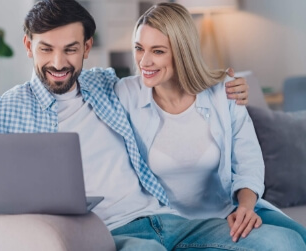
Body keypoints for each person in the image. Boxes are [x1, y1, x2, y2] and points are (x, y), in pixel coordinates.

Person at [0, 0, 299, 250]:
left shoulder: (107, 85)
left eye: (70, 49)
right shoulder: (6, 109)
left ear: (86, 47)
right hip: (112, 234)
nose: (59, 63)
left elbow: (169, 79)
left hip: (172, 219)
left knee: (283, 243)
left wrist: (226, 86)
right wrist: (14, 189)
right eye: (46, 49)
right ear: (29, 46)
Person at [113, 2, 306, 250]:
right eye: (139, 48)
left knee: (299, 238)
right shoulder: (125, 94)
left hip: (227, 210)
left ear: (182, 52)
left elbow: (248, 161)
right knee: (283, 245)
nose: (144, 62)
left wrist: (246, 208)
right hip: (169, 224)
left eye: (158, 51)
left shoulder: (223, 91)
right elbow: (79, 81)